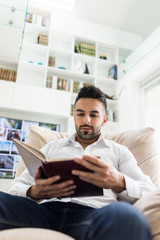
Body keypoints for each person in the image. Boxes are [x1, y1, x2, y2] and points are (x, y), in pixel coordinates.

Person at [0, 86, 157, 240]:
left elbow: (149, 191)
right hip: (43, 213)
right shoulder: (51, 147)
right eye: (80, 114)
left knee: (128, 216)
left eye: (94, 115)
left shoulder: (119, 152)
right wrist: (34, 192)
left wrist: (119, 181)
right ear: (74, 115)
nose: (86, 120)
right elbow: (15, 188)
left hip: (92, 216)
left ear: (104, 120)